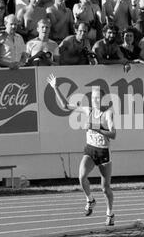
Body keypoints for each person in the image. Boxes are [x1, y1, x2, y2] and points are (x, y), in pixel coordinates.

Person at [46, 74, 116, 226]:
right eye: (93, 97)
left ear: (102, 99)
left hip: (103, 153)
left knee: (105, 188)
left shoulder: (107, 113)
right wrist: (55, 88)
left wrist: (96, 128)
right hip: (90, 150)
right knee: (81, 177)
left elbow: (114, 134)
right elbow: (65, 106)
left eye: (98, 98)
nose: (95, 100)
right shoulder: (88, 110)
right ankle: (90, 200)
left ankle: (110, 213)